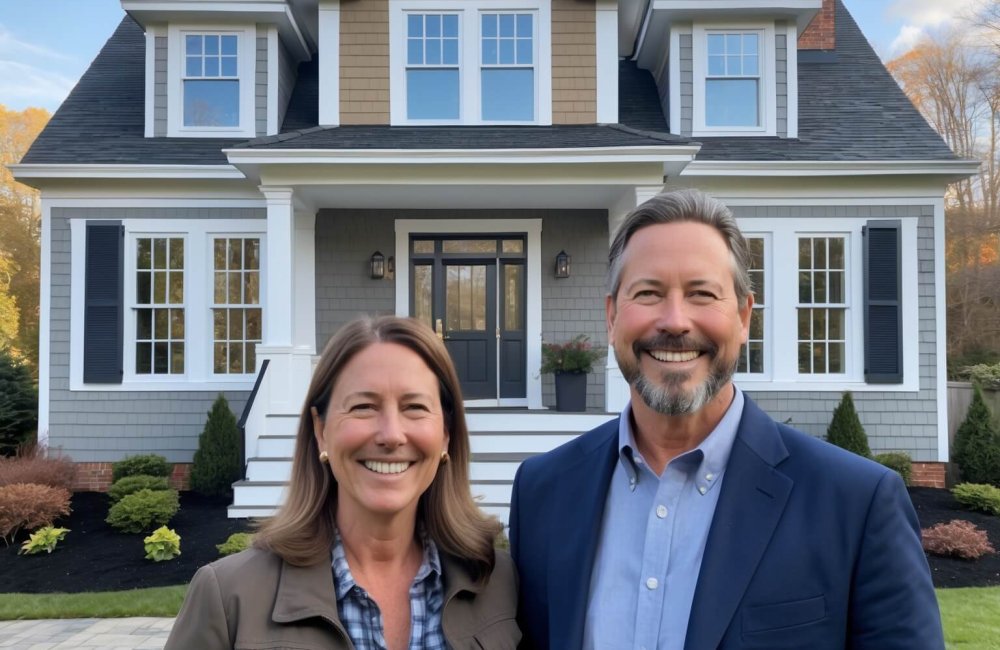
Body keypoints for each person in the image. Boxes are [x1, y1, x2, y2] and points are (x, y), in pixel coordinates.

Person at [509, 189, 944, 650]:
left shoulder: (856, 505)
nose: (675, 321)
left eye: (702, 294)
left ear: (743, 317)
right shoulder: (544, 492)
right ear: (612, 316)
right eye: (648, 293)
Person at [166, 316, 520, 650]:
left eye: (414, 407)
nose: (391, 435)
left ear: (446, 433)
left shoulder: (499, 583)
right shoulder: (229, 599)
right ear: (321, 430)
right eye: (363, 407)